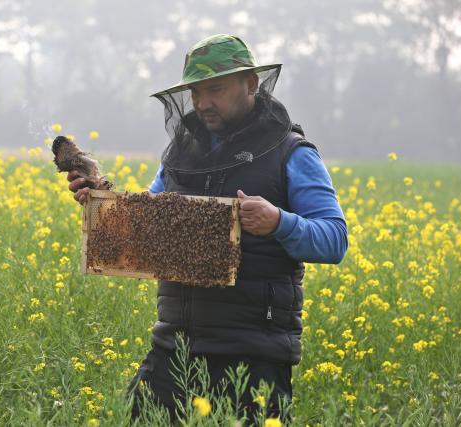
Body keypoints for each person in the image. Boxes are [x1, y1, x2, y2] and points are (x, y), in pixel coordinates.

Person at [68, 34, 348, 424]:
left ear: (250, 84)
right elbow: (146, 225)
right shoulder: (181, 156)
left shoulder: (292, 153)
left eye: (214, 89)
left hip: (254, 355)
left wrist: (279, 222)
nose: (202, 103)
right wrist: (102, 202)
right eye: (196, 92)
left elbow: (334, 240)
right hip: (175, 347)